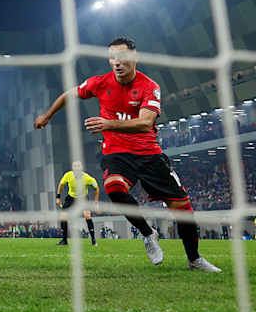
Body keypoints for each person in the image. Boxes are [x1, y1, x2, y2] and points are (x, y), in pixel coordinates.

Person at [34, 36, 220, 272]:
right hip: (117, 152)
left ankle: (194, 260)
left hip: (149, 153)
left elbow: (145, 123)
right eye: (112, 58)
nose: (116, 63)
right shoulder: (100, 83)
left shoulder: (149, 86)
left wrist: (108, 124)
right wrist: (48, 115)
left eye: (122, 57)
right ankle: (148, 233)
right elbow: (69, 94)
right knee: (114, 188)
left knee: (182, 208)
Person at [56, 160, 98, 246]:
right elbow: (61, 185)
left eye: (78, 166)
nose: (76, 167)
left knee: (87, 216)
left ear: (81, 167)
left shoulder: (87, 178)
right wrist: (58, 197)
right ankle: (64, 240)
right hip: (71, 197)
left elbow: (96, 188)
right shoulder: (68, 175)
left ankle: (93, 240)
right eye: (75, 166)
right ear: (72, 168)